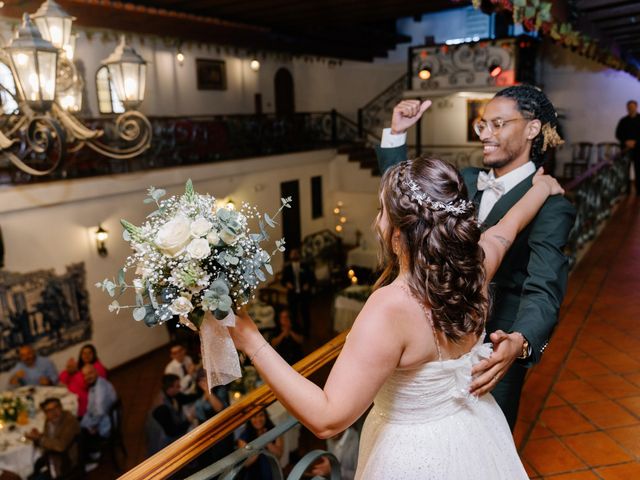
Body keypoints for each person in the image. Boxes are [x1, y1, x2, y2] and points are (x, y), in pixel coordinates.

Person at [227, 155, 564, 479]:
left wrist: (250, 340)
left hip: (413, 455)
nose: (377, 220)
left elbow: (328, 418)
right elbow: (508, 229)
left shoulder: (390, 307)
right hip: (475, 430)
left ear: (400, 232)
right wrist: (542, 188)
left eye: (382, 212)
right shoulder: (474, 269)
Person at [376, 86, 576, 430]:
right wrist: (397, 134)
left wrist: (520, 340)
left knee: (484, 440)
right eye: (483, 125)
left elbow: (544, 287)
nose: (486, 134)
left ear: (532, 129)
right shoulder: (466, 179)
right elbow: (405, 200)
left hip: (494, 346)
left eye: (498, 124)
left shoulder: (552, 205)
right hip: (432, 336)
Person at [25, 398, 81, 480]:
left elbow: (61, 446)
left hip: (64, 464)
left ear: (61, 407)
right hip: (51, 459)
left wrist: (40, 439)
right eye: (49, 411)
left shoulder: (70, 421)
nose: (54, 412)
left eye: (56, 408)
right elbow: (50, 438)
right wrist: (37, 436)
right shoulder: (49, 421)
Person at [146, 374, 197, 455]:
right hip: (164, 441)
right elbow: (172, 432)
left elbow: (184, 399)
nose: (180, 387)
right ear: (170, 389)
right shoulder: (162, 409)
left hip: (171, 428)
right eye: (177, 386)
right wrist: (188, 420)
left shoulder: (170, 393)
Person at [79, 364, 117, 467]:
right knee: (80, 424)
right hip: (101, 419)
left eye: (90, 373)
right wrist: (85, 423)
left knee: (79, 434)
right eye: (85, 375)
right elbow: (90, 409)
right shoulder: (95, 384)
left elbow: (99, 413)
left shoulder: (100, 388)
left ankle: (94, 457)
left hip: (107, 424)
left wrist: (88, 425)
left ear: (96, 372)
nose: (88, 377)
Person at [59, 344, 108, 417]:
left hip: (90, 400)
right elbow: (62, 378)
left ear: (94, 354)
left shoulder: (97, 367)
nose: (86, 355)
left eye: (89, 353)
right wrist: (68, 370)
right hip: (73, 396)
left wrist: (75, 372)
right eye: (84, 353)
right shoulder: (81, 365)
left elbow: (86, 384)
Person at [236, 410, 283, 480]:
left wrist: (266, 440)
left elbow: (279, 455)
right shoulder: (243, 437)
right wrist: (260, 443)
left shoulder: (275, 431)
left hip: (272, 472)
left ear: (266, 416)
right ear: (250, 419)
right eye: (254, 416)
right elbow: (246, 463)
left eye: (261, 415)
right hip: (252, 475)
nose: (258, 419)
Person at [280, 248, 315, 334]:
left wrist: (308, 284)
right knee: (293, 313)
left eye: (296, 253)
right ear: (290, 256)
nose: (294, 255)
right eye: (293, 253)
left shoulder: (305, 266)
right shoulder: (287, 267)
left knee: (305, 312)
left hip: (304, 293)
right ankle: (296, 330)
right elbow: (283, 280)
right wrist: (287, 284)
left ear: (299, 255)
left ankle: (307, 331)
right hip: (292, 294)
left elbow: (312, 278)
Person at [615, 99, 640, 195]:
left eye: (633, 107)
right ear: (627, 108)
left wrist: (635, 142)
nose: (631, 108)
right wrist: (626, 141)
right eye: (629, 107)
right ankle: (627, 190)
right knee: (625, 171)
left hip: (638, 149)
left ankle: (639, 191)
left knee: (639, 170)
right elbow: (618, 134)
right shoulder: (623, 121)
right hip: (626, 149)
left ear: (636, 107)